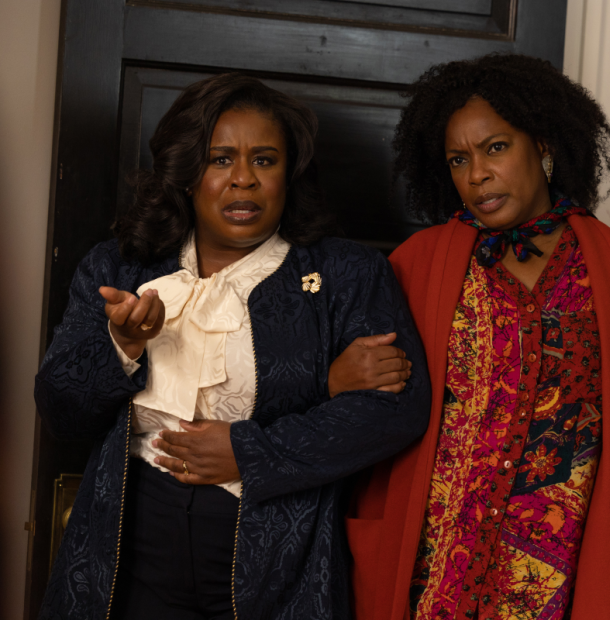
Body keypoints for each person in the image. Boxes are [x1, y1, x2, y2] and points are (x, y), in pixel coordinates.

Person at [35, 73, 430, 620]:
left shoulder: (346, 274)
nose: (243, 180)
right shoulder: (120, 266)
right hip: (130, 547)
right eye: (221, 159)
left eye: (264, 161)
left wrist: (247, 451)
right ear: (187, 172)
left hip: (279, 558)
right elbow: (61, 410)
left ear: (288, 175)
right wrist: (121, 345)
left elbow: (394, 411)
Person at [347, 54, 610, 620]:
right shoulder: (415, 265)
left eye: (495, 148)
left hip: (557, 576)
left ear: (542, 145)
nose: (476, 175)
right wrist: (340, 377)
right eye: (458, 160)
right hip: (435, 569)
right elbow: (367, 407)